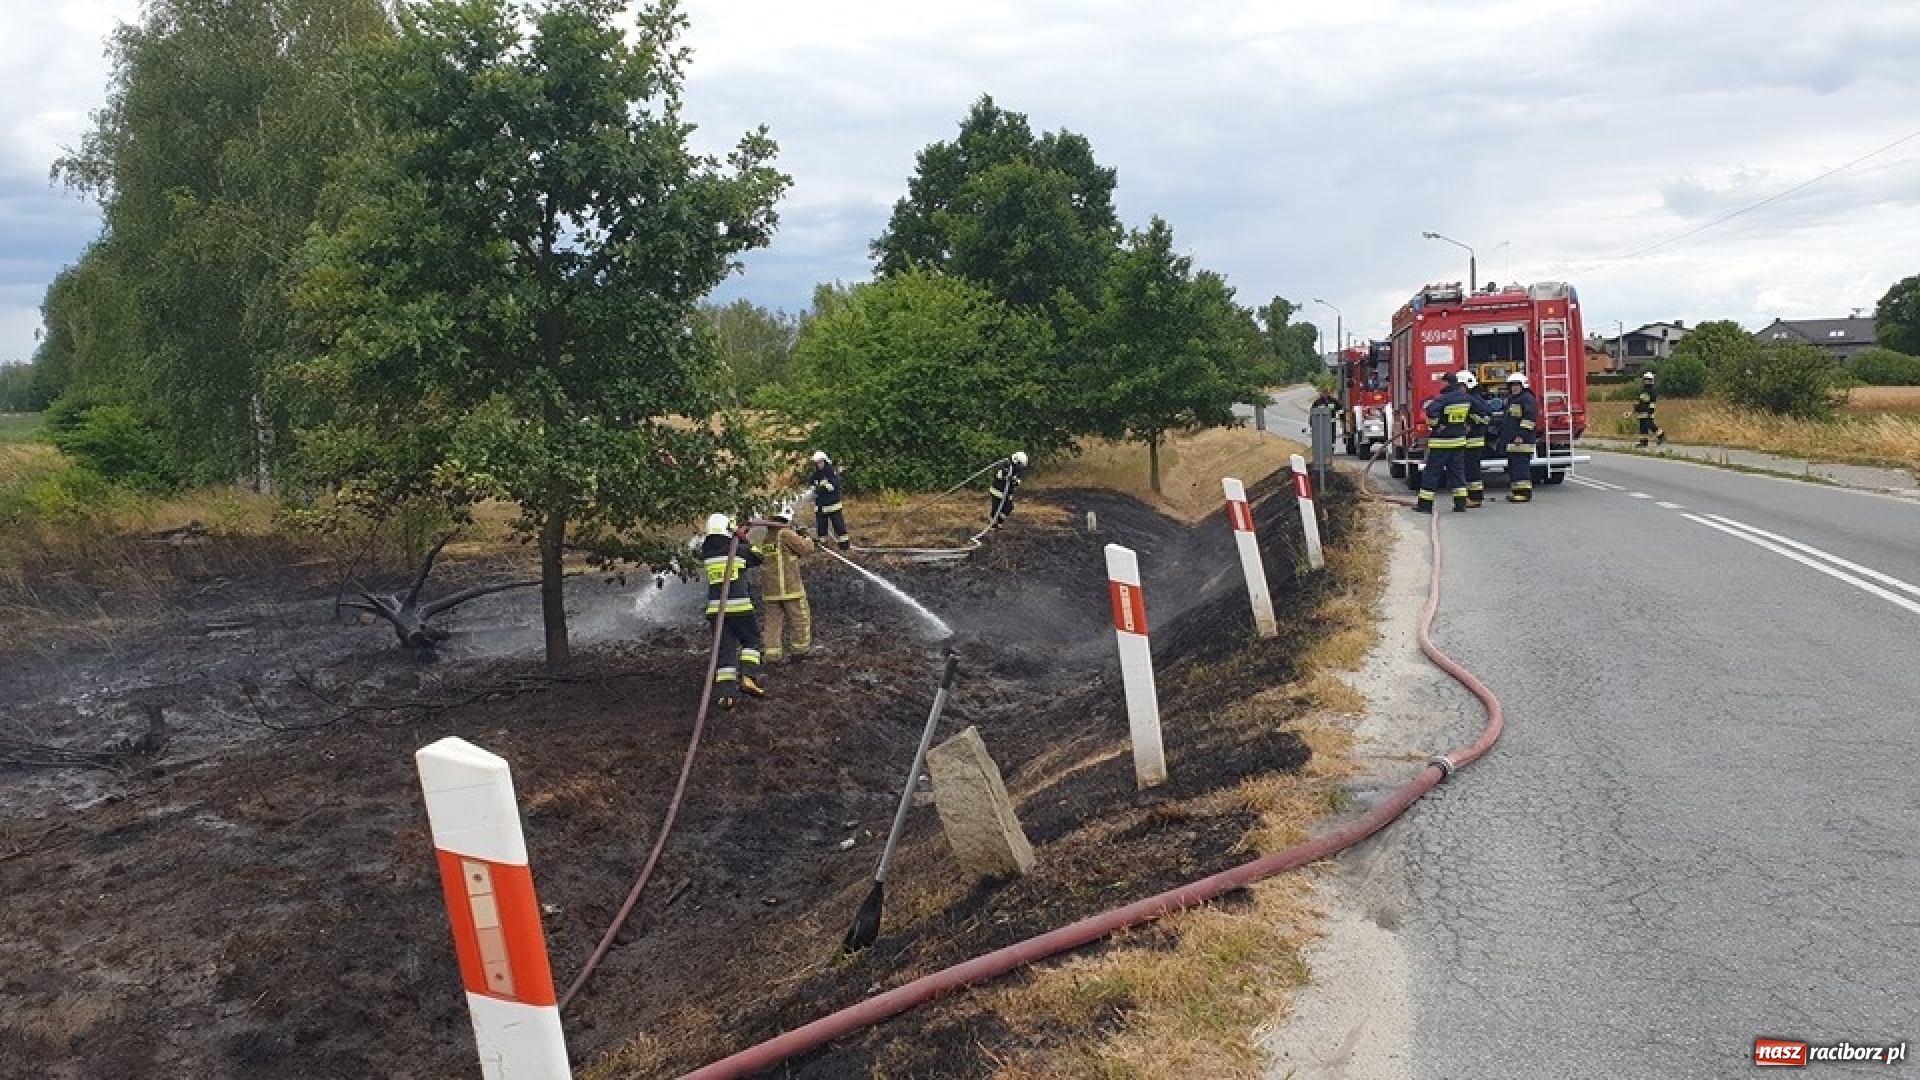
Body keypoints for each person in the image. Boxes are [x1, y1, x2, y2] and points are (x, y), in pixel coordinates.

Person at [700, 513, 765, 708]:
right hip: (739, 606)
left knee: (725, 650)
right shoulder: (737, 549)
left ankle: (727, 695)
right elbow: (758, 557)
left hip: (716, 610)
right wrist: (744, 539)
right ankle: (748, 677)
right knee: (751, 640)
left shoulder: (707, 553)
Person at [1417, 371, 1486, 514]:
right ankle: (1460, 504)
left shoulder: (1443, 399)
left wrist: (1436, 426)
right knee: (1458, 474)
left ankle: (1425, 505)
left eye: (1443, 382)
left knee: (1432, 473)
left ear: (1447, 383)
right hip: (1459, 443)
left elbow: (1430, 411)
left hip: (1441, 444)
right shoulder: (1467, 398)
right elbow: (1483, 412)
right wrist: (1470, 424)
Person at [755, 508, 814, 663]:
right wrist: (807, 537)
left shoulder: (768, 537)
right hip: (790, 587)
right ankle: (800, 651)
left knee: (772, 622)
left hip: (771, 590)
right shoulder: (785, 533)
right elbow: (805, 549)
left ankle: (772, 655)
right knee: (800, 618)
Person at [1502, 371, 1540, 503]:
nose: (1514, 387)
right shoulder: (1513, 400)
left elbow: (1529, 419)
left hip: (1522, 441)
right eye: (1512, 385)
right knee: (1514, 467)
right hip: (1514, 442)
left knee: (1521, 467)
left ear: (1523, 385)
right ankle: (1517, 492)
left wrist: (1521, 435)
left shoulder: (1527, 399)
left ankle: (1524, 493)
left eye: (1517, 385)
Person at [1458, 370, 1491, 507]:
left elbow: (1486, 417)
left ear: (1467, 385)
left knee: (1473, 470)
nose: (1459, 389)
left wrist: (1470, 424)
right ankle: (1473, 497)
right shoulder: (1472, 398)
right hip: (1469, 440)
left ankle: (1476, 498)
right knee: (1470, 469)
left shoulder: (1475, 400)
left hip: (1474, 441)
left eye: (1460, 386)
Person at [808, 450, 851, 551]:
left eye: (820, 462)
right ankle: (823, 545)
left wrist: (820, 488)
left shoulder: (831, 472)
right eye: (817, 463)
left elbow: (832, 487)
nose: (819, 464)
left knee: (839, 526)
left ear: (825, 461)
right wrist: (815, 488)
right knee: (821, 528)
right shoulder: (815, 475)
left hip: (833, 506)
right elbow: (811, 485)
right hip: (820, 508)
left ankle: (844, 545)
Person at [987, 451, 1029, 529]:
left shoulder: (1017, 469)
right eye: (1020, 464)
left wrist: (1015, 481)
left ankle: (999, 522)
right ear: (1017, 461)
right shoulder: (1007, 464)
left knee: (1009, 507)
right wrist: (1006, 474)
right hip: (997, 491)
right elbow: (999, 474)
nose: (1021, 467)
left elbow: (1018, 480)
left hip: (1007, 493)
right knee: (996, 508)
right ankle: (992, 524)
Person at [1634, 370, 1667, 447]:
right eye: (1645, 379)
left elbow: (1652, 402)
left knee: (1650, 426)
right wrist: (1636, 408)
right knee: (1642, 428)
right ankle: (1643, 442)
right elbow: (1640, 401)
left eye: (1648, 380)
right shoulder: (1642, 391)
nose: (1646, 381)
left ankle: (1661, 435)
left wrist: (1651, 411)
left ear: (1651, 380)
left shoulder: (1652, 391)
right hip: (1641, 413)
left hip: (1648, 413)